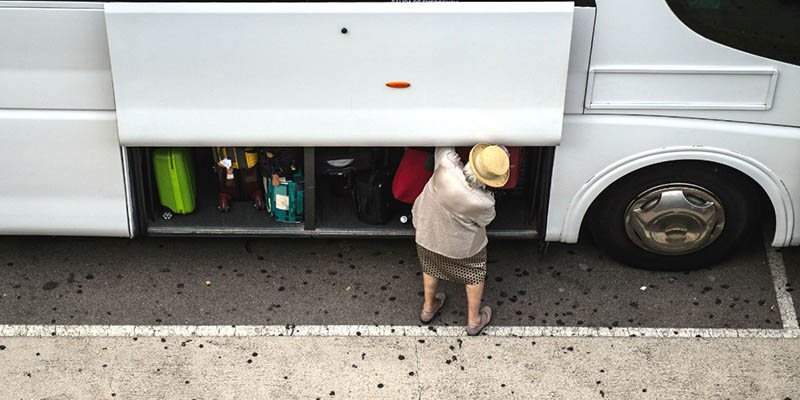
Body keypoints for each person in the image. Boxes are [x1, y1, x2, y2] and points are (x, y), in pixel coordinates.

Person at [412, 144, 510, 335]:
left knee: (430, 266)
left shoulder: (445, 164)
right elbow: (486, 221)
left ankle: (428, 308)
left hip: (427, 234)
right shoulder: (485, 203)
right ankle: (473, 321)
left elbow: (444, 143)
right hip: (461, 249)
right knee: (474, 274)